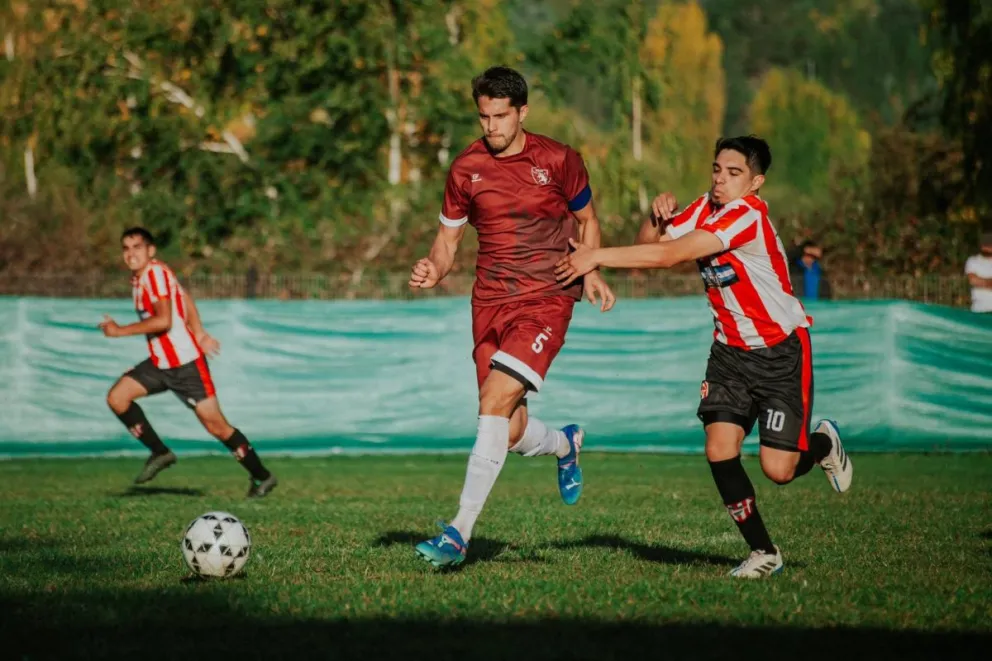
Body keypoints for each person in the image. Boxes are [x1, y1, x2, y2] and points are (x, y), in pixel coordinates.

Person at [556, 136, 852, 578]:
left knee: (779, 470)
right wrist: (653, 219)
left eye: (734, 173)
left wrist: (594, 256)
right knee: (719, 450)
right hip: (729, 354)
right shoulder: (702, 209)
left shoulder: (747, 216)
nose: (720, 180)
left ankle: (823, 443)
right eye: (717, 169)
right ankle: (763, 552)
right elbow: (647, 250)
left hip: (779, 352)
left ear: (755, 183)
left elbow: (670, 256)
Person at [408, 66, 616, 568]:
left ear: (522, 112)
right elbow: (448, 240)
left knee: (494, 399)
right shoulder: (465, 168)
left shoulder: (560, 160)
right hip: (489, 303)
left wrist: (590, 269)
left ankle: (458, 533)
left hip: (546, 298)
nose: (491, 127)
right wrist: (435, 267)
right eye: (484, 117)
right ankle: (565, 444)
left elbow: (587, 220)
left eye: (500, 116)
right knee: (509, 426)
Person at [100, 227, 278, 497]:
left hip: (186, 365)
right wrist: (199, 332)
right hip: (160, 362)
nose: (130, 253)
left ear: (150, 250)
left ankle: (262, 476)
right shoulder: (143, 277)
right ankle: (160, 453)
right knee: (117, 397)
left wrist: (119, 331)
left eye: (137, 247)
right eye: (126, 248)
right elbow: (183, 297)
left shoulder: (154, 274)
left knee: (217, 427)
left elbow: (163, 320)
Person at [965, 231, 992, 313]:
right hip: (980, 308)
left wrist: (983, 282)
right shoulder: (973, 261)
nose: (987, 248)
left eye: (989, 245)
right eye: (985, 245)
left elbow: (978, 281)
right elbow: (973, 281)